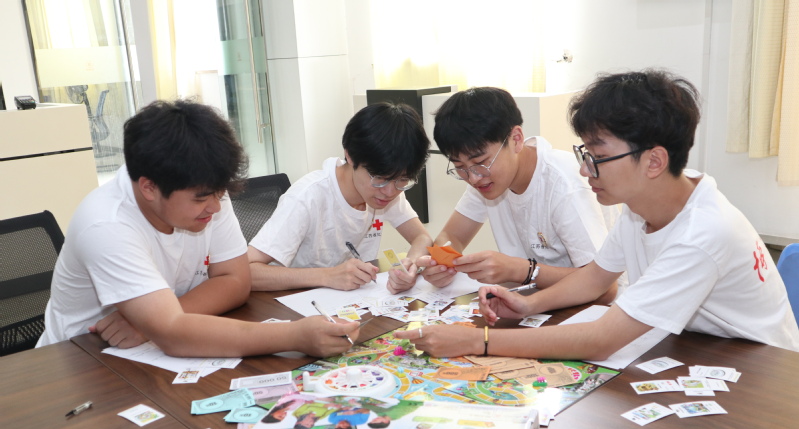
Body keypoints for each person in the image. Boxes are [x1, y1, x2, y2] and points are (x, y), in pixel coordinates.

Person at [396, 69, 799, 358]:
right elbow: (594, 277)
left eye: (598, 157)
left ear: (654, 161)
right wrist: (528, 305)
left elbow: (602, 339)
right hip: (696, 347)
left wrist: (477, 342)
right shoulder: (647, 205)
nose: (585, 170)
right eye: (584, 154)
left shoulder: (703, 233)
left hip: (762, 370)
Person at [37, 99, 357, 358]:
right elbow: (173, 335)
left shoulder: (204, 185)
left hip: (154, 346)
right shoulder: (106, 224)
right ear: (149, 187)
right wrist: (295, 335)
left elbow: (236, 281)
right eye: (202, 198)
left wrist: (151, 322)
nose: (216, 207)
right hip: (80, 357)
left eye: (220, 193)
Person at [416, 87, 616, 297]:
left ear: (516, 139)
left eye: (481, 162)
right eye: (460, 167)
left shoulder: (565, 186)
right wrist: (441, 264)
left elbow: (605, 287)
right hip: (530, 302)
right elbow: (451, 236)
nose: (473, 178)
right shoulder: (484, 178)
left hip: (591, 308)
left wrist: (519, 270)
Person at [247, 102, 433, 294]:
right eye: (380, 178)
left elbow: (422, 237)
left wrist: (410, 267)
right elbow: (247, 272)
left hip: (350, 302)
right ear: (350, 156)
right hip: (291, 301)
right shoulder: (307, 196)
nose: (390, 191)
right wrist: (327, 276)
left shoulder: (386, 190)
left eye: (403, 180)